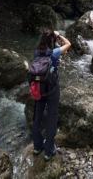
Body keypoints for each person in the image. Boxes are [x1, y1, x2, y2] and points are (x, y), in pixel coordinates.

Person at [32, 28, 71, 161]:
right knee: (52, 117)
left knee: (37, 117)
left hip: (39, 89)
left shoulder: (36, 53)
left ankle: (37, 146)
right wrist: (59, 35)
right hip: (52, 90)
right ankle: (49, 150)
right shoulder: (54, 53)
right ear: (52, 41)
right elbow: (69, 44)